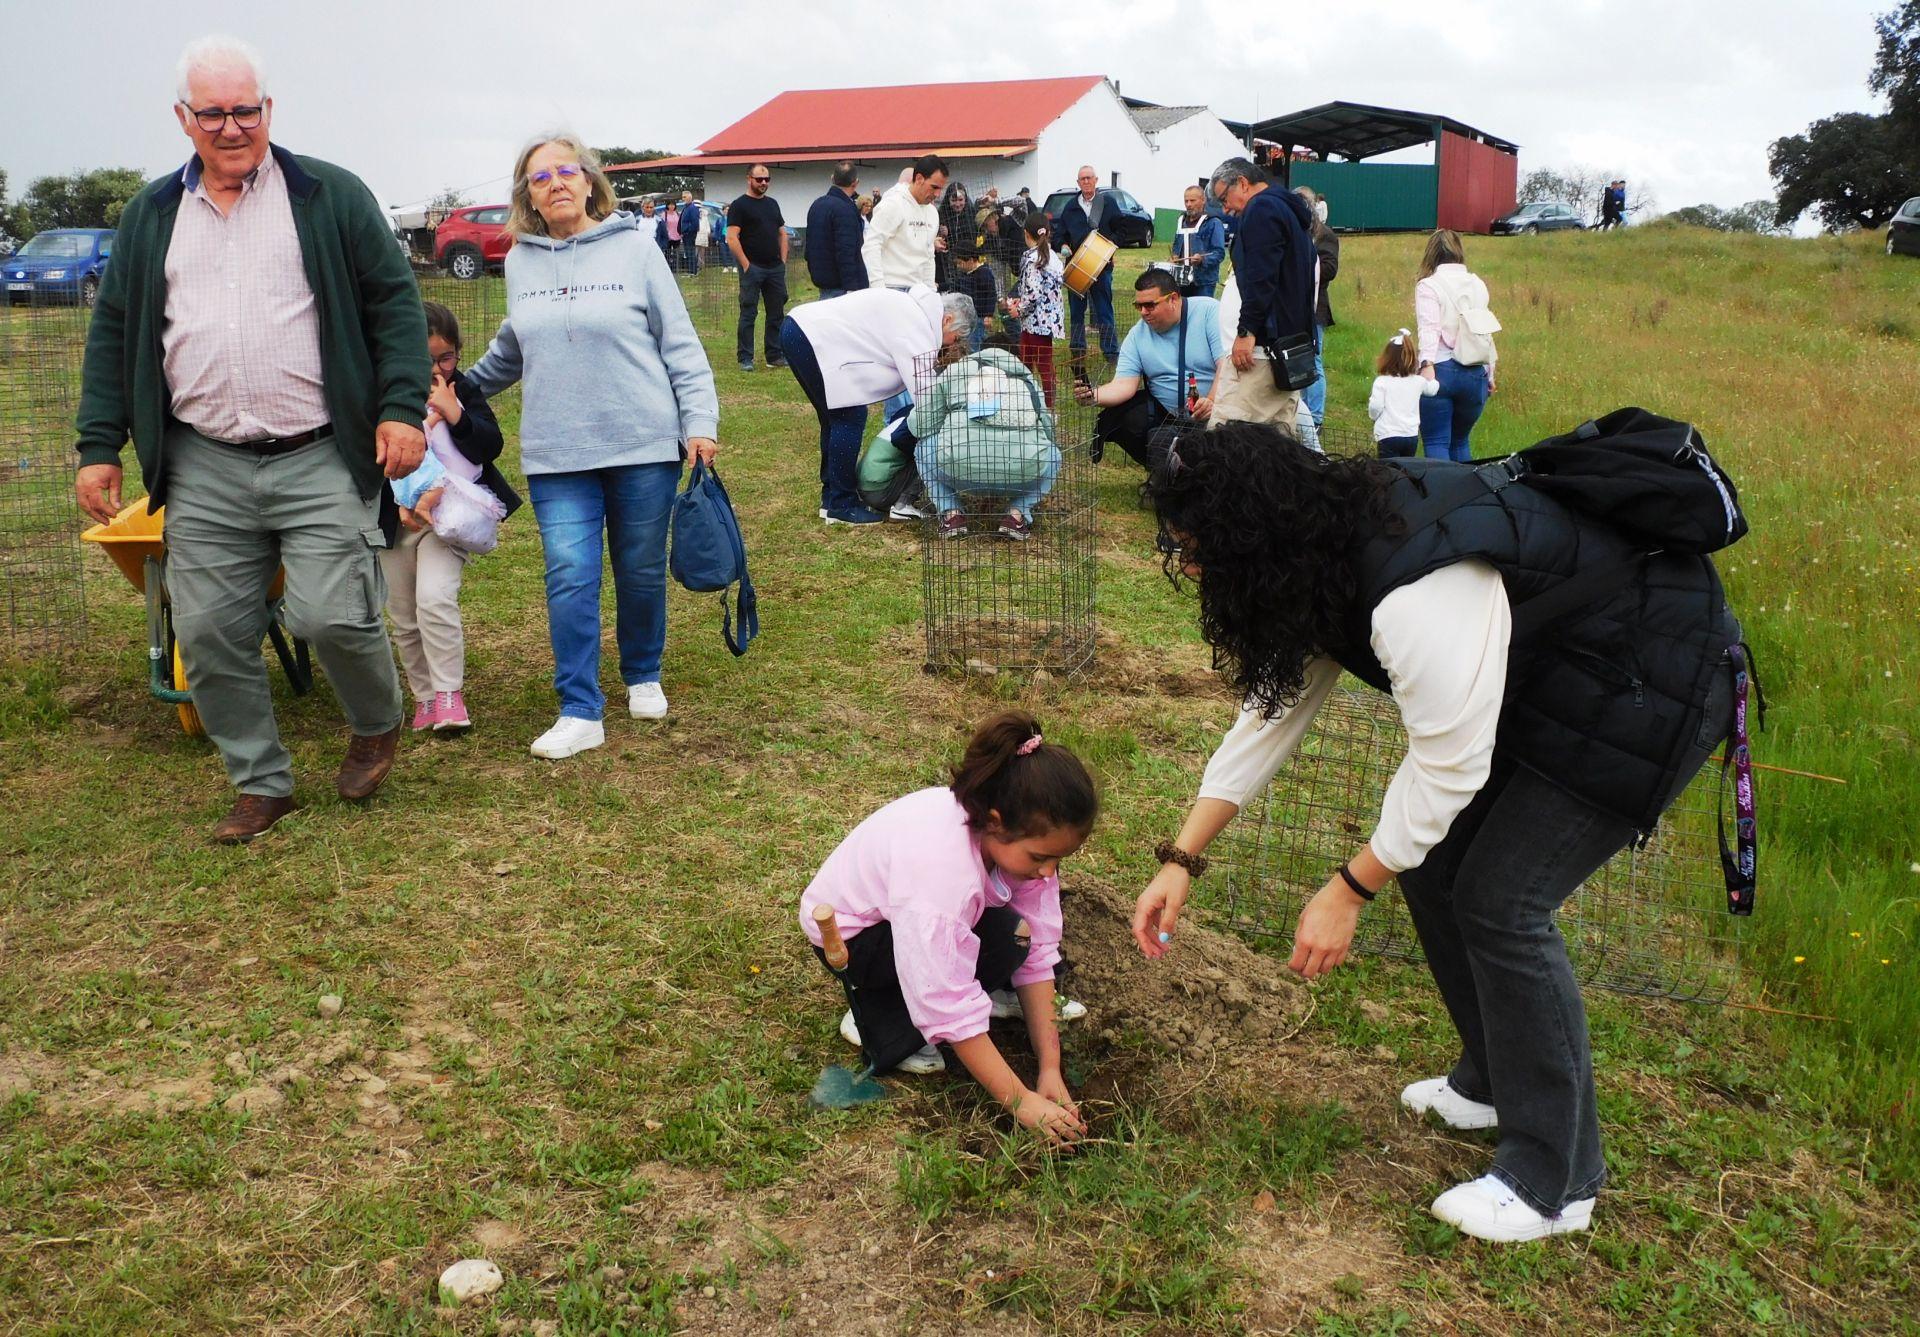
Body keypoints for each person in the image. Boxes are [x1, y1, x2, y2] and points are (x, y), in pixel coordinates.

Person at [1132, 423, 1744, 1242]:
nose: (1192, 565)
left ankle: (1555, 1179)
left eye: (1198, 546)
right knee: (1432, 865)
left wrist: (1348, 888)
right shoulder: (1318, 545)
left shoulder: (1413, 586)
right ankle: (1493, 1079)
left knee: (1504, 899)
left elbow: (1450, 767)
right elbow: (1274, 710)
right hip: (1569, 672)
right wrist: (1183, 856)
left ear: (1251, 531)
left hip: (1653, 675)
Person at [73, 34, 427, 843]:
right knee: (205, 630)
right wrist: (100, 444)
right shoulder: (152, 214)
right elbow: (116, 329)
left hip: (318, 451)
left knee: (331, 616)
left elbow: (394, 305)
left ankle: (376, 719)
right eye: (213, 113)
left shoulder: (328, 195)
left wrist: (401, 407)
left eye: (246, 110)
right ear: (183, 119)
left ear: (269, 110)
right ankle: (262, 781)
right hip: (203, 460)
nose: (232, 128)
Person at [465, 135, 719, 760]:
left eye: (565, 171)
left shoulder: (636, 247)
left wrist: (700, 423)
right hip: (558, 452)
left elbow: (679, 342)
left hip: (640, 441)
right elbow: (511, 349)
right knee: (570, 574)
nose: (554, 183)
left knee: (637, 568)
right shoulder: (520, 261)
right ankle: (580, 709)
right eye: (539, 176)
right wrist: (456, 388)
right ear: (526, 193)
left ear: (588, 181)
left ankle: (642, 672)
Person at [801, 711, 1096, 1145]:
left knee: (1016, 936)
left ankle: (984, 993)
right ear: (995, 821)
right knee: (936, 995)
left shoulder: (1012, 841)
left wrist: (1049, 1066)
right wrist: (1021, 1101)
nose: (1049, 873)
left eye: (1058, 859)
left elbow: (1038, 948)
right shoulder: (941, 876)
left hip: (912, 918)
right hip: (856, 940)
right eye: (1039, 858)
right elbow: (944, 997)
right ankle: (880, 1014)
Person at [383, 301, 521, 734]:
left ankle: (448, 694)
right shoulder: (385, 392)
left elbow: (489, 445)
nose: (438, 368)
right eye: (426, 360)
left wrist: (454, 409)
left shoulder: (463, 390)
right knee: (404, 614)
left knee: (435, 599)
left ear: (458, 352)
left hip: (449, 519)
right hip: (396, 520)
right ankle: (424, 697)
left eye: (446, 357)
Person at [780, 287, 975, 525]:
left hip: (799, 328)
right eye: (956, 337)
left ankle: (832, 498)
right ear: (948, 320)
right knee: (849, 416)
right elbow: (926, 398)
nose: (952, 344)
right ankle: (842, 505)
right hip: (812, 336)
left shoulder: (913, 309)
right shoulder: (917, 327)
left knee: (833, 419)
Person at [1073, 269, 1226, 469]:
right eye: (1139, 306)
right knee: (1124, 418)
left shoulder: (1209, 311)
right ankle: (1165, 469)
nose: (1143, 312)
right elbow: (1124, 384)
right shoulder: (1137, 334)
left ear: (1173, 299)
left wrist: (1212, 400)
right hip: (1167, 415)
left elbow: (1226, 364)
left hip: (1216, 411)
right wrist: (1093, 395)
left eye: (1149, 305)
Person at [908, 341, 1060, 540]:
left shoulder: (956, 372)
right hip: (1021, 475)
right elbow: (1049, 431)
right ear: (1016, 358)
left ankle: (951, 514)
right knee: (1054, 454)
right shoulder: (1027, 379)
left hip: (956, 470)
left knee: (924, 446)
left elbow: (919, 425)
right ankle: (1017, 514)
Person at [1207, 156, 1317, 429]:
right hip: (1290, 348)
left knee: (1231, 439)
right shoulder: (1287, 209)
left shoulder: (1261, 210)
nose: (1226, 209)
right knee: (1277, 444)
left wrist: (1246, 332)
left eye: (1224, 198)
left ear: (1242, 183)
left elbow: (1261, 278)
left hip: (1263, 350)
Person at [1414, 228, 1498, 462]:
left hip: (1441, 368)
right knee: (1460, 441)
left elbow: (1429, 328)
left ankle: (1441, 496)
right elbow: (1484, 330)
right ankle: (1465, 495)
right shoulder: (1478, 284)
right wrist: (1491, 372)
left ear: (1431, 254)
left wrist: (1426, 365)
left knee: (1436, 442)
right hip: (1475, 371)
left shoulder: (1428, 286)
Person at [1054, 164, 1119, 364]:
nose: (1086, 181)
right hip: (1077, 267)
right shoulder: (1071, 207)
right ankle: (1077, 349)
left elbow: (1121, 229)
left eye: (1089, 178)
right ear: (1078, 182)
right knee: (1076, 312)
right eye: (1082, 179)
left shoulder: (1108, 204)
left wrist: (1111, 246)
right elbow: (1059, 234)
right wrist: (1063, 245)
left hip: (1101, 267)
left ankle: (1110, 352)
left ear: (1096, 180)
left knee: (1104, 310)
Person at [727, 164, 789, 372]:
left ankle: (775, 355)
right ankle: (745, 357)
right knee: (748, 313)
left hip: (774, 269)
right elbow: (732, 238)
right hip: (752, 269)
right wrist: (746, 265)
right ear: (749, 179)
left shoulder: (773, 204)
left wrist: (782, 262)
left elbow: (782, 233)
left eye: (767, 179)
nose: (763, 183)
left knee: (776, 313)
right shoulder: (739, 206)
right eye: (759, 179)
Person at [863, 153, 947, 290]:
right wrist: (879, 288)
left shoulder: (932, 213)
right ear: (919, 178)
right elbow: (871, 246)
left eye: (941, 189)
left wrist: (930, 289)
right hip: (892, 286)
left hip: (919, 289)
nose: (937, 194)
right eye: (934, 187)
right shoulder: (893, 204)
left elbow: (929, 255)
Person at [1006, 212, 1065, 403]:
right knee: (1040, 364)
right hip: (1046, 321)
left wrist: (1019, 309)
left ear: (1025, 233)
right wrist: (1020, 301)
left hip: (1034, 322)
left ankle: (1044, 406)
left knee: (1033, 365)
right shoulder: (1051, 256)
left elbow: (1033, 294)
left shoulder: (1033, 260)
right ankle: (1035, 402)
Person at [1298, 186, 1340, 429]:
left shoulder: (1325, 235)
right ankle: (1300, 412)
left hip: (1315, 309)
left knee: (1314, 361)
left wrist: (1301, 269)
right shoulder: (1294, 231)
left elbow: (1330, 269)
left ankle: (1315, 418)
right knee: (1295, 359)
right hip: (1292, 306)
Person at [1366, 328, 1438, 459]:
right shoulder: (1418, 381)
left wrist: (1373, 417)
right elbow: (1433, 389)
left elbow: (1375, 407)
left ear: (1387, 359)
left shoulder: (1382, 382)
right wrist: (1429, 371)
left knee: (1388, 471)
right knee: (1406, 469)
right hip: (1410, 436)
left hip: (1388, 435)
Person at [804, 162, 867, 299]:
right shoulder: (846, 209)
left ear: (832, 178)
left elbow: (809, 247)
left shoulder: (816, 205)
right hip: (842, 287)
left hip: (822, 280)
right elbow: (846, 251)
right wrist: (852, 288)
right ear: (855, 183)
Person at [1171, 185, 1226, 299]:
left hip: (1203, 282)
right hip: (1181, 280)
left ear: (1203, 200)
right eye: (1186, 201)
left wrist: (1202, 259)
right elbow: (1176, 245)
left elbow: (1219, 253)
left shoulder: (1213, 222)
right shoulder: (1181, 220)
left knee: (1201, 313)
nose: (1188, 204)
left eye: (1192, 200)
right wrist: (1175, 256)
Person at [949, 241, 998, 352]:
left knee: (975, 344)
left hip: (980, 318)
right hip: (967, 317)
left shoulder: (984, 273)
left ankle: (979, 364)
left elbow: (991, 295)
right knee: (969, 343)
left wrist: (988, 315)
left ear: (971, 260)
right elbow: (954, 287)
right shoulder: (964, 274)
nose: (958, 266)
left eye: (960, 263)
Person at [933, 180, 974, 290]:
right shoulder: (940, 214)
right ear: (948, 200)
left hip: (966, 261)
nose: (957, 204)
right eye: (954, 200)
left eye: (961, 200)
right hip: (945, 263)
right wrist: (943, 234)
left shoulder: (971, 214)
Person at [676, 191, 702, 274]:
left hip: (689, 234)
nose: (683, 198)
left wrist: (687, 231)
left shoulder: (692, 208)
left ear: (690, 198)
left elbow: (695, 223)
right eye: (682, 197)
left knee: (690, 252)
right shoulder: (686, 208)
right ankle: (690, 271)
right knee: (688, 253)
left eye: (684, 197)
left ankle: (693, 272)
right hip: (685, 234)